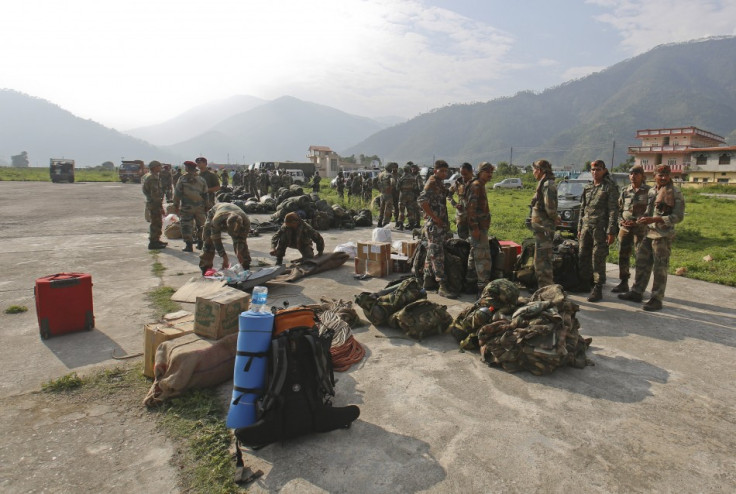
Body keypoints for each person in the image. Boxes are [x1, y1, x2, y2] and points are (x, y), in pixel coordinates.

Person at [619, 165, 685, 311]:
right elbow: (647, 212)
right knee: (642, 263)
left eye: (666, 175)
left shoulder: (674, 193)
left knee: (660, 268)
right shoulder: (652, 191)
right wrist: (640, 220)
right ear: (654, 175)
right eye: (660, 175)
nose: (663, 177)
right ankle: (637, 292)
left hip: (662, 235)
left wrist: (656, 220)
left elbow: (678, 217)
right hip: (647, 233)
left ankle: (656, 299)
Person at [578, 159, 619, 302]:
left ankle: (598, 286)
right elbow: (582, 209)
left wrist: (611, 231)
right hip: (586, 227)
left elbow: (614, 211)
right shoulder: (588, 187)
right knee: (583, 254)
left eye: (599, 169)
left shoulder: (609, 187)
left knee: (598, 257)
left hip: (600, 228)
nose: (595, 172)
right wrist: (579, 228)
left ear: (604, 170)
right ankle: (586, 281)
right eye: (593, 170)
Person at [418, 160, 457, 298]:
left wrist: (457, 186)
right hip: (434, 225)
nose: (444, 173)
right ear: (435, 171)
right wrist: (435, 218)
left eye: (446, 171)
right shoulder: (432, 183)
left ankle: (427, 282)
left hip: (439, 225)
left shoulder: (439, 183)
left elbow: (447, 193)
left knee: (431, 253)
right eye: (442, 171)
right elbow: (422, 201)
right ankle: (442, 285)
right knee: (437, 254)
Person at [612, 164, 651, 293]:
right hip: (625, 229)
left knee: (640, 257)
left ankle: (638, 286)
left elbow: (651, 212)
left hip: (641, 230)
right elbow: (618, 210)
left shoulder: (649, 191)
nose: (633, 176)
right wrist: (621, 222)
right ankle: (623, 282)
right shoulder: (625, 191)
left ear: (642, 176)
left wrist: (638, 222)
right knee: (623, 255)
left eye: (636, 174)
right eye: (631, 174)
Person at [529, 159, 560, 288]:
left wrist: (555, 217)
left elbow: (550, 208)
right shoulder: (543, 183)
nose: (533, 173)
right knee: (539, 259)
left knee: (544, 261)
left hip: (545, 228)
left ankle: (547, 289)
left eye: (534, 170)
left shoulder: (548, 185)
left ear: (540, 170)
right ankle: (542, 287)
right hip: (541, 229)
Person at [465, 162, 495, 295]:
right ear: (480, 172)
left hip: (480, 226)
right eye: (487, 172)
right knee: (483, 256)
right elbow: (471, 209)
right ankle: (482, 288)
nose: (490, 175)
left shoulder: (480, 185)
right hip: (478, 227)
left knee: (474, 254)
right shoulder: (476, 186)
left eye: (491, 172)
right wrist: (475, 228)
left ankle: (470, 282)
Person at [198, 202, 251, 275]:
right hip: (215, 211)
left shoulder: (246, 222)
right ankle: (205, 269)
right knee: (208, 242)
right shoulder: (217, 220)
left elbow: (242, 239)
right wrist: (224, 257)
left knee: (243, 248)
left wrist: (239, 252)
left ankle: (245, 267)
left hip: (234, 212)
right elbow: (216, 239)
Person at [173, 161, 207, 252]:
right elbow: (205, 194)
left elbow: (177, 193)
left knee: (186, 225)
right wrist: (207, 206)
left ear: (187, 168)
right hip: (200, 206)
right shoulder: (201, 179)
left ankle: (189, 246)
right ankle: (201, 244)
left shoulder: (182, 179)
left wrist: (175, 205)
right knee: (201, 225)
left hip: (187, 206)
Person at [142, 160, 167, 250]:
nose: (160, 168)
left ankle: (156, 240)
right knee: (156, 223)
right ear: (155, 167)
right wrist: (160, 207)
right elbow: (155, 194)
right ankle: (153, 242)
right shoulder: (153, 178)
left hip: (151, 202)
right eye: (159, 166)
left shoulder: (148, 176)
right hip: (154, 203)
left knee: (156, 222)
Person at [447, 162, 474, 240]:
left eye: (465, 174)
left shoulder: (477, 183)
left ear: (471, 172)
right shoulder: (457, 183)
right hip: (461, 216)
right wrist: (454, 204)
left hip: (475, 217)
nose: (463, 176)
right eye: (461, 174)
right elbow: (448, 194)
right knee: (462, 239)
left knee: (475, 239)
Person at [397, 164, 419, 230]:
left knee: (401, 211)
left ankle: (401, 226)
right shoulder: (413, 178)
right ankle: (411, 225)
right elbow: (415, 188)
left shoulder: (401, 178)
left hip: (402, 196)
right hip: (411, 196)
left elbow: (397, 188)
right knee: (410, 210)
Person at [377, 162, 397, 227]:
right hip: (388, 194)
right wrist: (391, 188)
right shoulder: (390, 175)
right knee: (388, 209)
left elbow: (376, 182)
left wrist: (380, 189)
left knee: (381, 208)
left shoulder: (380, 174)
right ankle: (385, 223)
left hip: (382, 194)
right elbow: (393, 182)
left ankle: (379, 222)